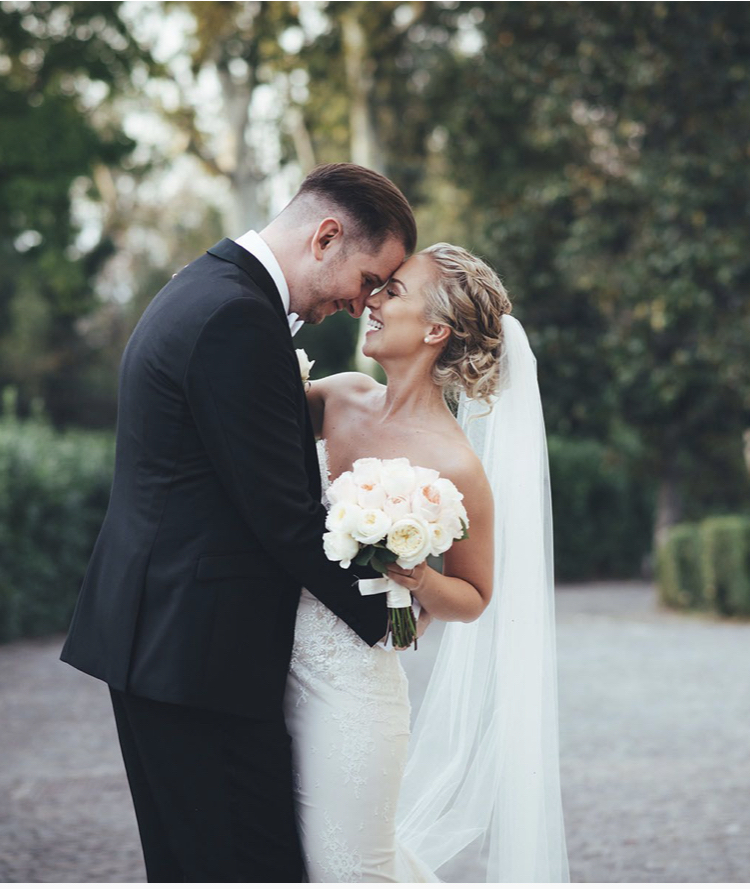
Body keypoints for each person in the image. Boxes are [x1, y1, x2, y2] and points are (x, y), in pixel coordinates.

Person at [60, 163, 417, 882]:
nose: (364, 303)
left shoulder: (208, 287)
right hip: (197, 656)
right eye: (372, 278)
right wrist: (388, 612)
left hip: (168, 640)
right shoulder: (236, 316)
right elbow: (282, 514)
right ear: (326, 237)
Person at [285, 243, 569, 882]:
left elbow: (474, 595)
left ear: (436, 330)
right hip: (267, 658)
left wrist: (419, 576)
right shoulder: (341, 397)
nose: (373, 302)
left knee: (349, 868)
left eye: (394, 291)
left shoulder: (456, 464)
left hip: (352, 686)